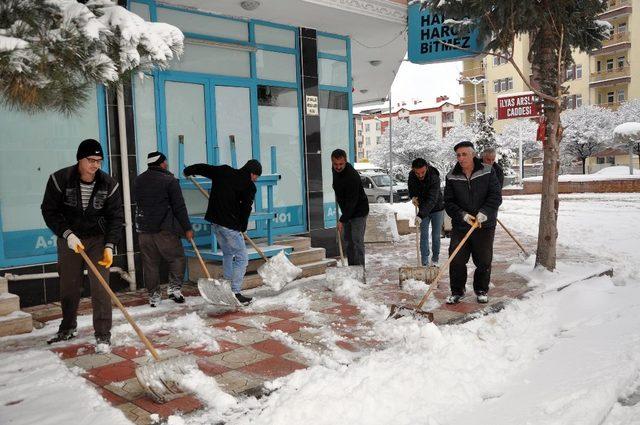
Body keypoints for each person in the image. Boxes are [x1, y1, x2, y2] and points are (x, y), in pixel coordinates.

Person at [41, 138, 123, 350]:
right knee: (69, 286)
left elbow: (116, 217)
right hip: (70, 240)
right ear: (80, 159)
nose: (95, 165)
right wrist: (67, 234)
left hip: (97, 240)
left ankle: (103, 335)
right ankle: (68, 327)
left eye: (99, 160)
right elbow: (49, 210)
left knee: (101, 288)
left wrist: (109, 246)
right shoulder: (60, 179)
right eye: (91, 160)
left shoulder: (109, 184)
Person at [183, 159, 262, 306]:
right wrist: (242, 227)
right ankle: (235, 292)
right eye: (256, 176)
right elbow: (246, 209)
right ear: (252, 173)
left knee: (228, 253)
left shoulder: (224, 171)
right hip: (230, 226)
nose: (256, 180)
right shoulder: (249, 186)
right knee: (242, 258)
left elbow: (204, 168)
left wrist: (189, 170)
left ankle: (226, 286)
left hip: (215, 223)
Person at [444, 141, 502, 304]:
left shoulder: (488, 171)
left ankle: (481, 289)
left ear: (473, 154)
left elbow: (495, 196)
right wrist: (462, 215)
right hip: (461, 225)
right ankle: (457, 291)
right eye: (458, 155)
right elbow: (448, 202)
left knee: (483, 260)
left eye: (464, 154)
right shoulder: (451, 176)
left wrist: (485, 213)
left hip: (484, 225)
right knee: (456, 259)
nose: (460, 158)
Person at [134, 151, 194, 307]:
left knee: (150, 264)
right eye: (165, 161)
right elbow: (179, 207)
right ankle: (174, 290)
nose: (167, 164)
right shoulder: (169, 180)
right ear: (161, 163)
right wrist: (187, 228)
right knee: (177, 258)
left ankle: (154, 296)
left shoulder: (138, 180)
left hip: (144, 230)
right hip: (164, 230)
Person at [331, 149, 369, 267]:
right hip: (347, 210)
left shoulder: (352, 176)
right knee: (348, 240)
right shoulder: (335, 170)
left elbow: (352, 202)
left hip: (359, 211)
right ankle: (352, 268)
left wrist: (342, 220)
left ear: (346, 161)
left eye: (341, 164)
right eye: (335, 164)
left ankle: (360, 270)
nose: (338, 167)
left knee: (357, 240)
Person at [407, 158, 444, 267]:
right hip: (423, 208)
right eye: (417, 173)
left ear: (427, 167)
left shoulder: (434, 177)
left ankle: (435, 259)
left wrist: (420, 215)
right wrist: (413, 197)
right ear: (413, 170)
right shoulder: (412, 175)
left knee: (436, 235)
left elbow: (432, 199)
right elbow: (411, 189)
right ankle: (424, 261)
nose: (420, 175)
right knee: (423, 234)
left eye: (422, 172)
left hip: (437, 208)